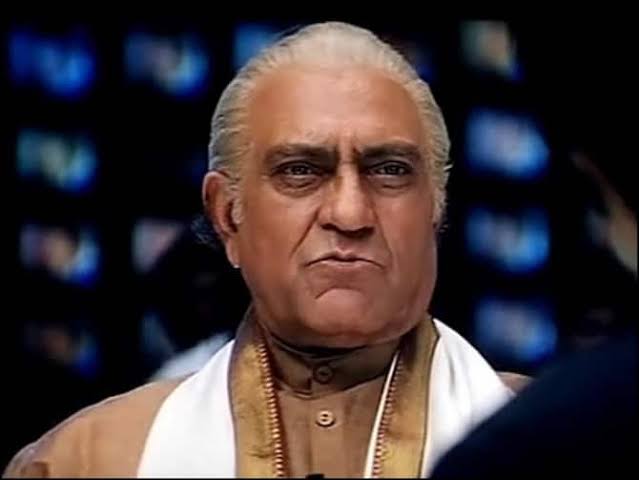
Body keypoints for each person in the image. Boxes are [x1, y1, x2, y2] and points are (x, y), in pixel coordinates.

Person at [4, 22, 516, 478]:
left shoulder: (553, 441)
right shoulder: (87, 461)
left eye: (389, 170)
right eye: (301, 170)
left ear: (436, 208)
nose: (350, 214)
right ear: (227, 215)